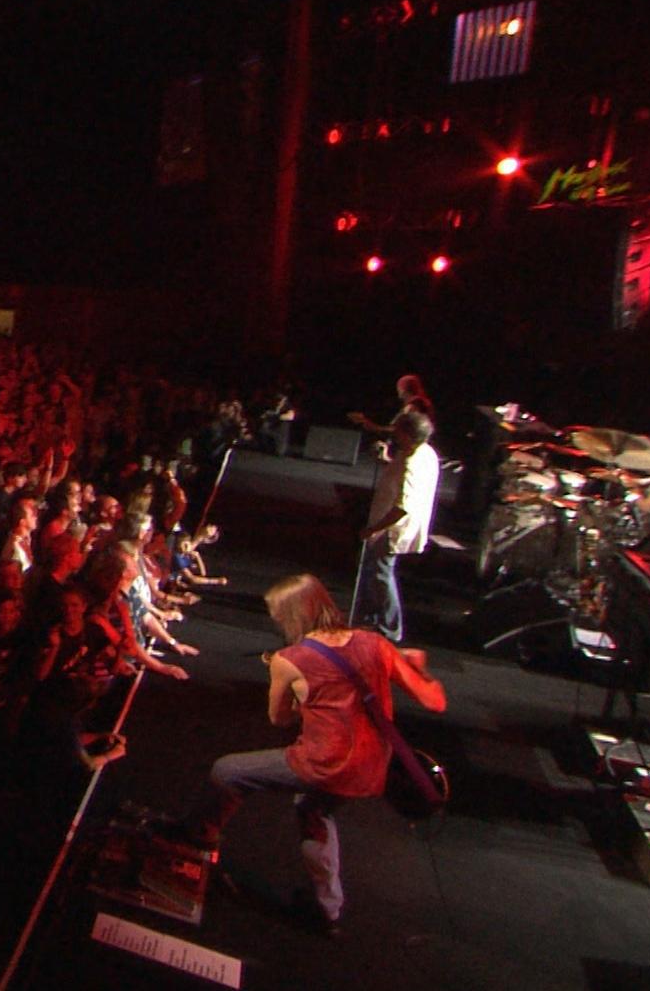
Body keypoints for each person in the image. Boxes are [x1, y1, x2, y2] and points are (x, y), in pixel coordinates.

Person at [171, 574, 445, 934]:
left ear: (294, 616)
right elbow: (434, 701)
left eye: (279, 617)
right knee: (313, 810)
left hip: (325, 765)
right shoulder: (374, 643)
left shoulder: (289, 659)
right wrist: (419, 671)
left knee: (228, 771)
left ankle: (200, 835)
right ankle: (326, 909)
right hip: (373, 765)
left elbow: (278, 719)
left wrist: (305, 701)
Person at [354, 411, 438, 643]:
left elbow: (403, 507)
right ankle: (374, 617)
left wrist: (375, 529)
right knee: (375, 572)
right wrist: (387, 461)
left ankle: (390, 627)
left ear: (408, 435)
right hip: (393, 526)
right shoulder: (424, 453)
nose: (395, 436)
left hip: (393, 529)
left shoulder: (413, 462)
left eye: (399, 432)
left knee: (381, 574)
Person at [347, 374, 434, 438]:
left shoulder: (413, 406)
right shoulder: (423, 403)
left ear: (402, 389)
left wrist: (369, 425)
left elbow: (399, 431)